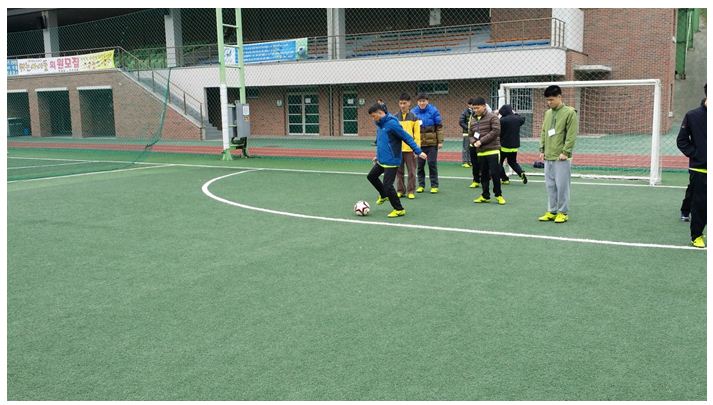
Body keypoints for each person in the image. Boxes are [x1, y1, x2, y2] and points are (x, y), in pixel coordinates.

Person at [366, 103, 427, 218]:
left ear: (380, 113)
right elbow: (382, 142)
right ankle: (384, 195)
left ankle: (399, 209)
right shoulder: (380, 124)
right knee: (371, 177)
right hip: (382, 160)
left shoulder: (392, 124)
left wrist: (418, 151)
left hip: (392, 160)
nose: (373, 119)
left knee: (388, 185)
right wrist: (378, 156)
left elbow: (406, 137)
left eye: (374, 116)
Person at [537, 85, 578, 224]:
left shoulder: (570, 113)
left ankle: (563, 212)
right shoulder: (548, 113)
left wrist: (566, 152)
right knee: (550, 186)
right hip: (548, 155)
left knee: (562, 187)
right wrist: (542, 149)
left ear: (560, 97)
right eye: (547, 100)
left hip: (561, 157)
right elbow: (544, 131)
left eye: (551, 100)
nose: (549, 102)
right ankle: (552, 211)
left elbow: (571, 135)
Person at [676, 85, 707, 248]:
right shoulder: (693, 116)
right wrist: (697, 154)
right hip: (701, 169)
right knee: (700, 205)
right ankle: (697, 236)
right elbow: (682, 141)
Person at [470, 97, 505, 205]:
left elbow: (495, 131)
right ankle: (485, 195)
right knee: (484, 174)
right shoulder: (473, 119)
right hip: (480, 152)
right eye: (474, 108)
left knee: (495, 174)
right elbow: (471, 134)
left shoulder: (493, 117)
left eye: (478, 108)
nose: (476, 110)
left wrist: (481, 141)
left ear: (484, 106)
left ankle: (498, 195)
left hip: (493, 150)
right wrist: (473, 142)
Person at [411, 93, 444, 194]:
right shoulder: (413, 112)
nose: (422, 103)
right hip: (419, 145)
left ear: (427, 101)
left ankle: (434, 186)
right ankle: (421, 185)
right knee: (420, 166)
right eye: (420, 101)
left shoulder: (434, 111)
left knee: (432, 164)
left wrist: (440, 141)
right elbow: (411, 129)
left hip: (432, 144)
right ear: (417, 102)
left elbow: (439, 127)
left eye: (424, 101)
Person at [395, 93, 420, 199]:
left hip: (410, 150)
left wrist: (417, 150)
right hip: (398, 149)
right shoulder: (395, 117)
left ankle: (411, 191)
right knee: (398, 172)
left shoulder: (414, 118)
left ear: (409, 103)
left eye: (404, 103)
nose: (402, 105)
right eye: (400, 103)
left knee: (412, 172)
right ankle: (400, 190)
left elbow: (417, 135)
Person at [498, 104, 528, 185]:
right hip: (514, 146)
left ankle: (504, 179)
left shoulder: (502, 120)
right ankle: (521, 172)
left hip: (504, 146)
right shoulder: (517, 119)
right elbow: (522, 118)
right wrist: (515, 113)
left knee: (498, 163)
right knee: (512, 162)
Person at [459, 99, 476, 168]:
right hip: (466, 133)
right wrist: (468, 128)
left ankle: (470, 161)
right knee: (466, 147)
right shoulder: (465, 112)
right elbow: (461, 122)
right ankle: (465, 162)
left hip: (474, 133)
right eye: (471, 104)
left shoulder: (475, 112)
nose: (473, 106)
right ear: (468, 105)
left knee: (472, 147)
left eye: (473, 104)